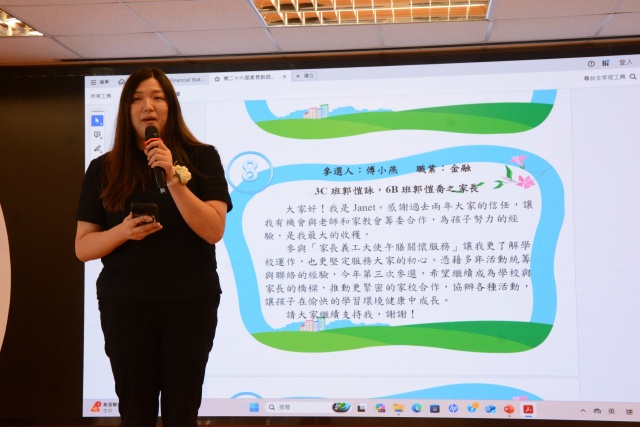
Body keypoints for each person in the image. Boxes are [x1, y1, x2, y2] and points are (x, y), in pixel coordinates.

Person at [75, 68, 232, 427]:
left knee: (182, 410)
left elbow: (213, 230)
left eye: (157, 97)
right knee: (136, 412)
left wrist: (173, 178)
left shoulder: (203, 158)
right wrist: (123, 232)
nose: (148, 106)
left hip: (190, 303)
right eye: (137, 99)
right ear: (126, 110)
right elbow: (83, 247)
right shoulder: (102, 168)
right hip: (126, 304)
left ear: (171, 106)